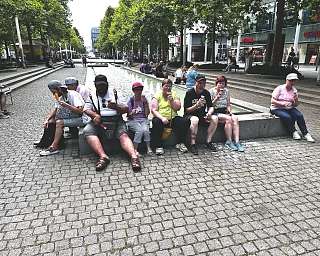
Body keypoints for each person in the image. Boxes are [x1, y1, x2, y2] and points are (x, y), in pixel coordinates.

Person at [83, 74, 141, 172]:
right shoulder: (91, 95)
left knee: (123, 135)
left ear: (107, 84)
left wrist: (116, 107)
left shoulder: (115, 93)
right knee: (88, 130)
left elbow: (127, 109)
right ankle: (103, 156)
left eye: (103, 85)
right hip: (99, 121)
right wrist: (94, 115)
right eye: (98, 85)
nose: (101, 88)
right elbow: (86, 109)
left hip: (116, 120)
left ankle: (134, 157)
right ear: (95, 85)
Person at [39, 80, 85, 156]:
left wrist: (66, 105)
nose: (53, 94)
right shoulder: (60, 96)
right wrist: (47, 120)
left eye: (54, 92)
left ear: (59, 89)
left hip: (82, 118)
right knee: (51, 121)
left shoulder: (72, 94)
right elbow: (55, 109)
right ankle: (47, 141)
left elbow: (81, 111)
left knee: (59, 123)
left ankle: (54, 147)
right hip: (72, 116)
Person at [270, 73, 315, 142]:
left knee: (299, 115)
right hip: (277, 108)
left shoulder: (294, 90)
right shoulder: (280, 88)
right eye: (291, 80)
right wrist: (282, 103)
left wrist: (295, 100)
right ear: (286, 80)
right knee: (287, 117)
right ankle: (293, 132)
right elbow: (272, 101)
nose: (292, 82)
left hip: (289, 108)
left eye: (294, 81)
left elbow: (295, 105)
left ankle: (306, 133)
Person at [151, 79, 189, 155]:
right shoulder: (157, 95)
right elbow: (153, 110)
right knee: (156, 121)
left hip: (173, 118)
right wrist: (162, 118)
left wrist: (172, 101)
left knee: (185, 121)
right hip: (161, 118)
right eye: (166, 86)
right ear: (162, 86)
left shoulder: (174, 94)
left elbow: (178, 108)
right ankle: (158, 145)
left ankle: (180, 143)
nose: (168, 88)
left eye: (170, 86)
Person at [184, 74, 218, 155]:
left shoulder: (206, 93)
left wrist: (209, 113)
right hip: (190, 116)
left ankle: (208, 141)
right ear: (196, 82)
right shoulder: (189, 93)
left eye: (203, 83)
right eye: (200, 83)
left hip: (202, 115)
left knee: (215, 118)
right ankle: (193, 144)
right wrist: (197, 105)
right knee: (195, 120)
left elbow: (211, 106)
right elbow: (186, 110)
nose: (202, 85)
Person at [210, 76, 244, 152]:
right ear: (216, 84)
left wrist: (230, 111)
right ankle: (229, 141)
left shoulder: (226, 91)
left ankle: (237, 141)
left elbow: (228, 104)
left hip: (224, 111)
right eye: (219, 83)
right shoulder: (211, 91)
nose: (221, 85)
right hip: (215, 111)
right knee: (228, 119)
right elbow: (209, 105)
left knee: (235, 118)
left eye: (223, 84)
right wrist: (217, 97)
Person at [127, 81, 153, 155]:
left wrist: (145, 103)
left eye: (140, 89)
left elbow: (147, 114)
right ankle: (135, 149)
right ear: (133, 91)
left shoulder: (144, 100)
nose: (139, 91)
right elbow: (128, 115)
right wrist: (132, 112)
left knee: (146, 130)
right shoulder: (131, 100)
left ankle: (148, 147)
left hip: (143, 119)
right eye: (136, 90)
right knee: (140, 130)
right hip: (133, 120)